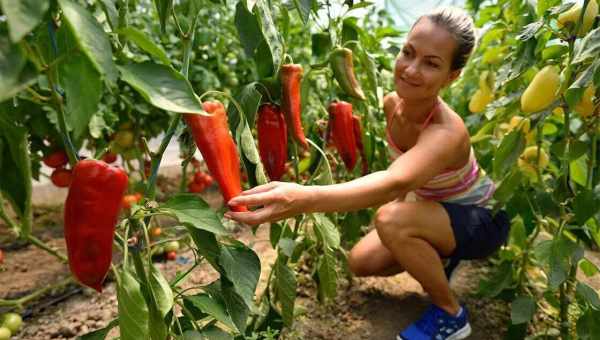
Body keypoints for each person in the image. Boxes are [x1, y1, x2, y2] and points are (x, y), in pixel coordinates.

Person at [225, 7, 510, 340]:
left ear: (452, 76)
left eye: (431, 63)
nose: (411, 69)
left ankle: (451, 315)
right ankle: (438, 254)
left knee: (391, 220)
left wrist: (302, 198)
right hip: (440, 212)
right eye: (408, 53)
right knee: (361, 261)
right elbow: (408, 179)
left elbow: (397, 180)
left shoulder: (447, 131)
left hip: (483, 221)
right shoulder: (393, 105)